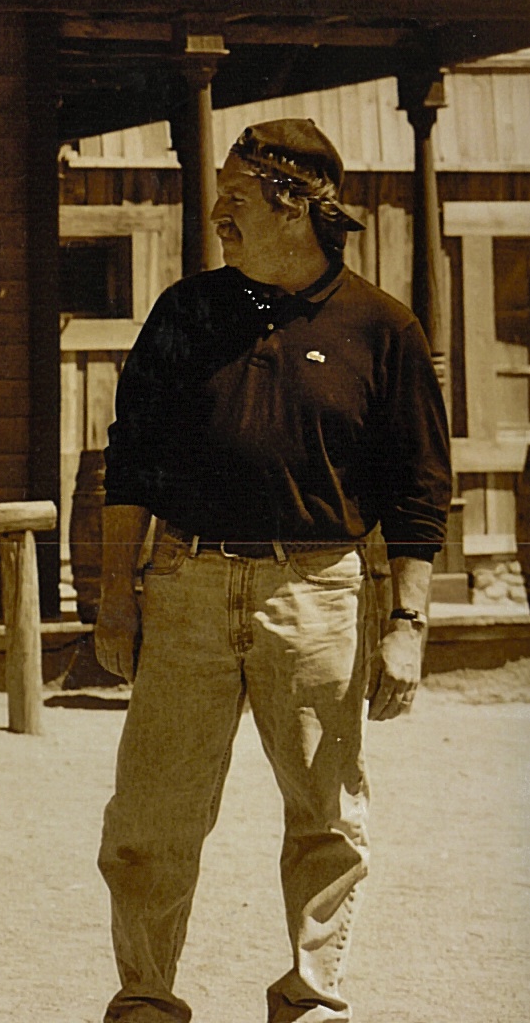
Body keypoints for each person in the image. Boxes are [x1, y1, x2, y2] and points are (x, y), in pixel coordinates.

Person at [93, 119, 452, 1023]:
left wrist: (406, 626)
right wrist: (112, 600)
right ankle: (144, 998)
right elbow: (129, 461)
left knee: (324, 815)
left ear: (296, 209)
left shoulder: (384, 328)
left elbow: (418, 491)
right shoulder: (186, 313)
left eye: (237, 197)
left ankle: (312, 996)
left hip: (319, 593)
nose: (216, 212)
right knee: (150, 822)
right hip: (184, 585)